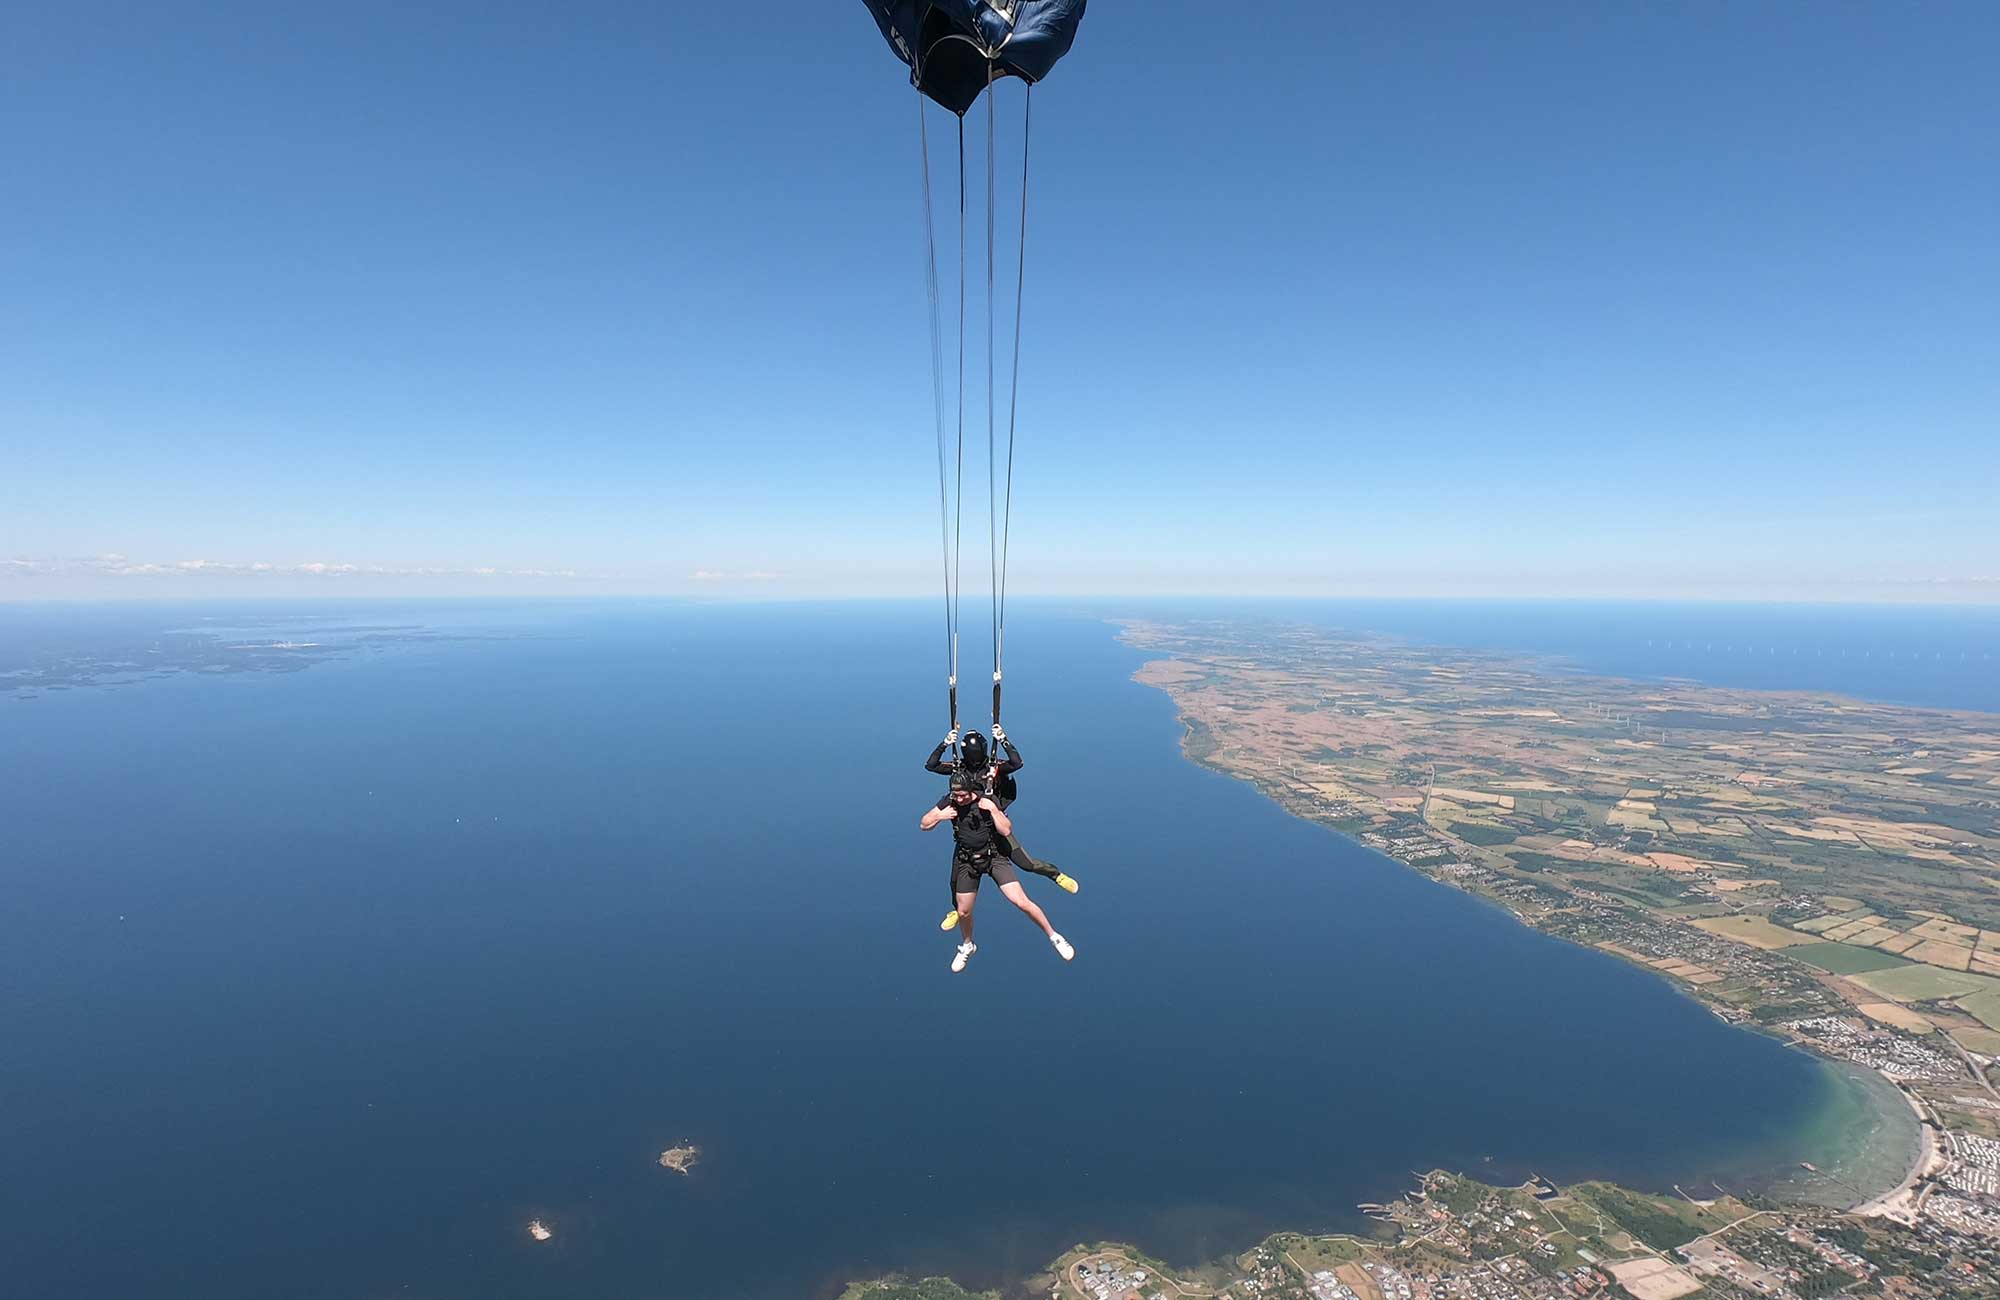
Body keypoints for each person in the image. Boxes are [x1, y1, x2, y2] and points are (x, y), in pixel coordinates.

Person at [925, 725, 1078, 930]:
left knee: (1027, 863)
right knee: (955, 879)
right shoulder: (959, 768)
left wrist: (1003, 739)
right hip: (970, 827)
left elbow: (1016, 763)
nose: (974, 762)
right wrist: (945, 743)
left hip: (994, 821)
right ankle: (957, 910)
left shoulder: (993, 766)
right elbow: (931, 765)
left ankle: (1055, 874)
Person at [921, 772, 1074, 972]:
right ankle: (967, 945)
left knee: (1021, 901)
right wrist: (939, 816)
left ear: (970, 790)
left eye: (963, 795)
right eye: (956, 795)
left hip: (994, 857)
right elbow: (924, 824)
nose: (959, 799)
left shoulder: (986, 799)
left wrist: (993, 809)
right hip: (967, 861)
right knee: (963, 911)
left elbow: (1006, 830)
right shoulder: (949, 801)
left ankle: (1055, 937)